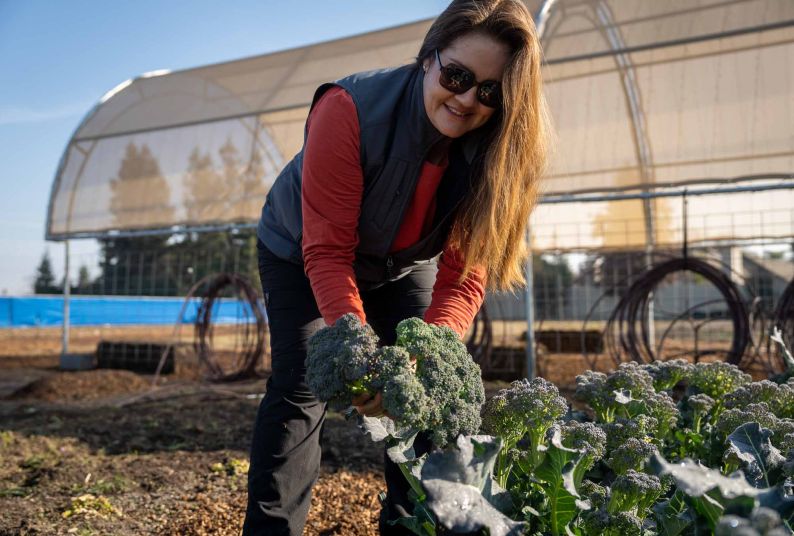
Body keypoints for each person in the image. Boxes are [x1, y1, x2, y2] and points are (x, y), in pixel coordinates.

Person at [243, 0, 549, 533]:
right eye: (457, 75)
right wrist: (359, 357)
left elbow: (465, 275)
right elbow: (329, 251)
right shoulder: (349, 108)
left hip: (402, 264)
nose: (467, 99)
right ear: (427, 58)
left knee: (428, 392)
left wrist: (418, 359)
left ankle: (409, 526)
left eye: (490, 90)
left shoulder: (500, 150)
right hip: (302, 249)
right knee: (301, 388)